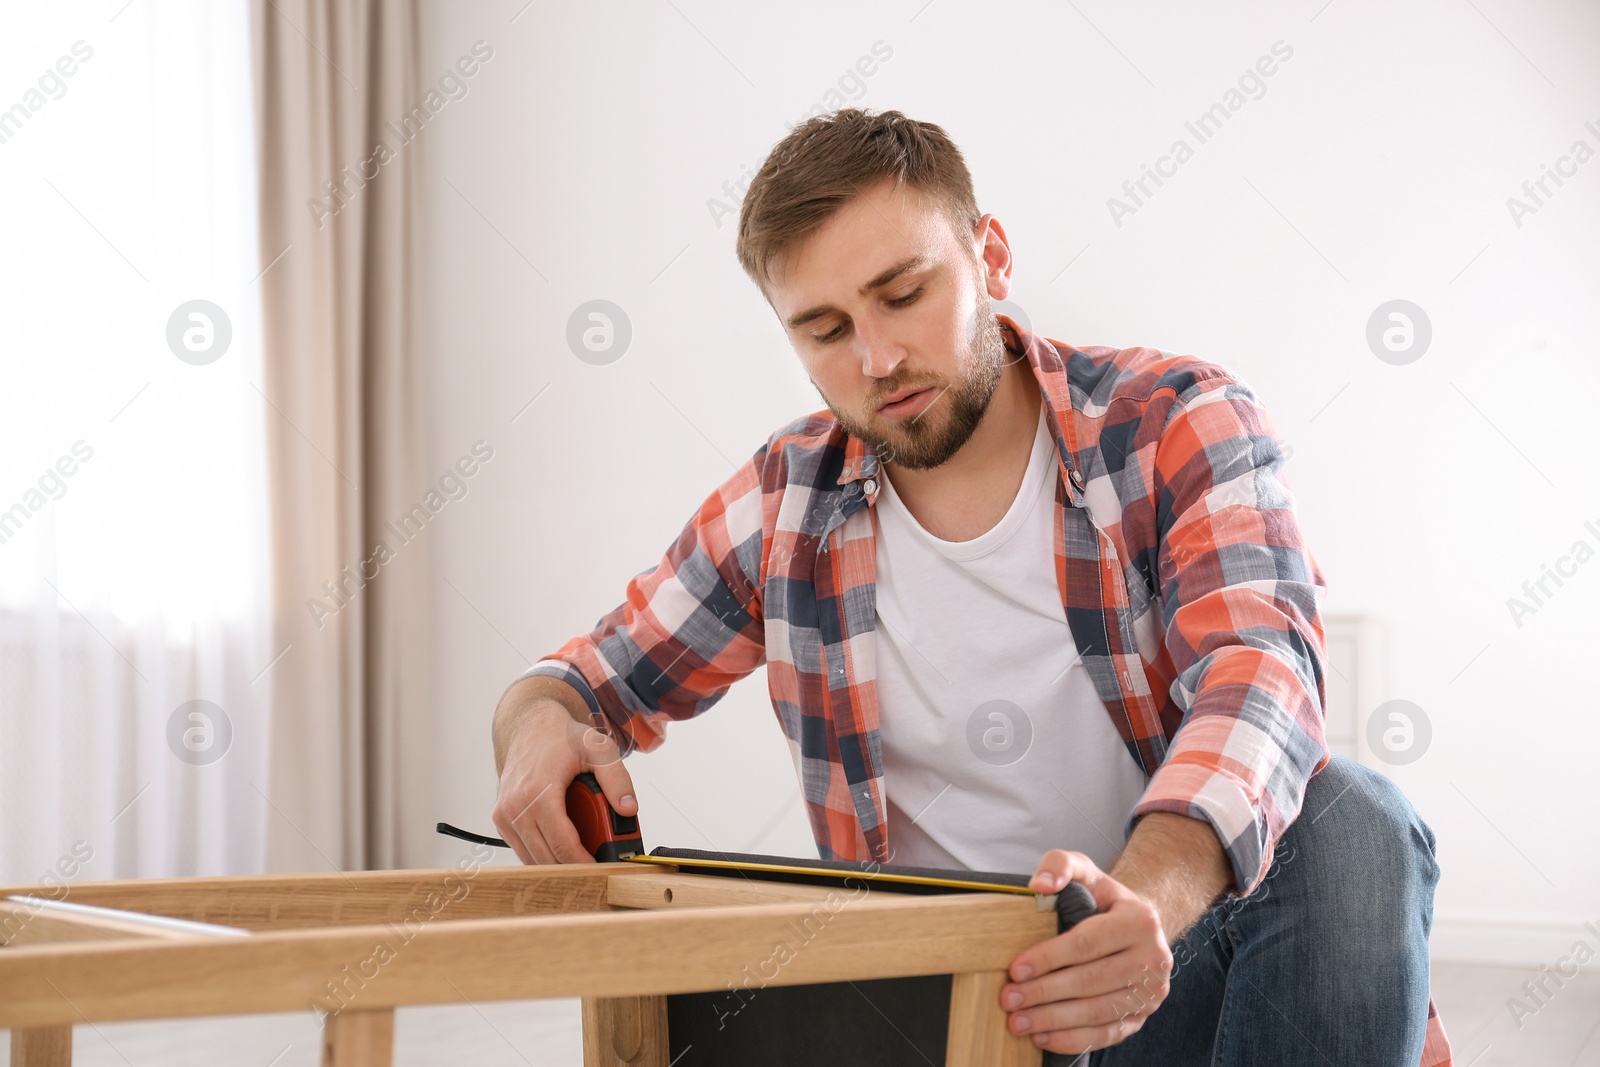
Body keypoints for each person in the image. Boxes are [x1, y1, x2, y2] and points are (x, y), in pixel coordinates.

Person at [490, 108, 1453, 1065]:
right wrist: (535, 725)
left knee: (1354, 825)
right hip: (940, 1023)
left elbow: (1262, 670)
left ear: (990, 258)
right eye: (825, 330)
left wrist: (1143, 900)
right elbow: (580, 681)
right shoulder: (783, 503)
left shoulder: (1172, 424)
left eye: (902, 294)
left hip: (1155, 975)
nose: (876, 360)